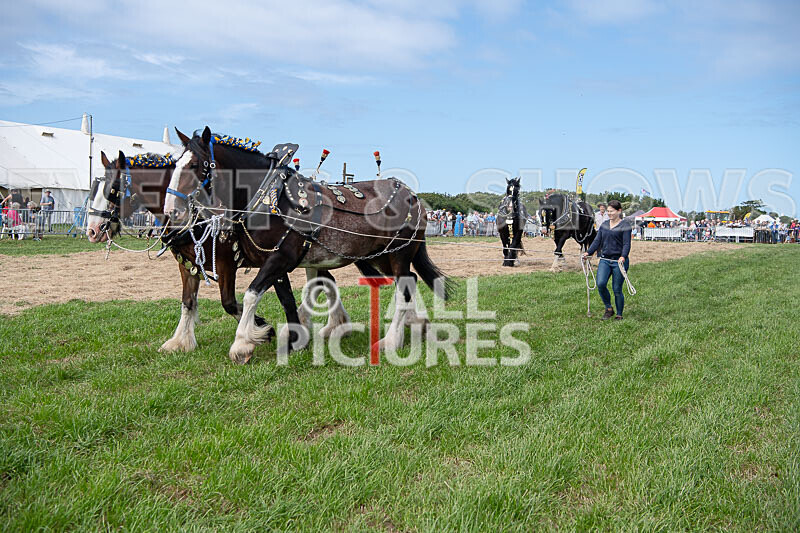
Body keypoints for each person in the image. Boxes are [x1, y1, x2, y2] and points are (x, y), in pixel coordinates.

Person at [583, 200, 631, 320]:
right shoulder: (604, 225)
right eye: (608, 211)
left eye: (612, 211)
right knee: (601, 283)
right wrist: (588, 252)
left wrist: (623, 256)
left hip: (619, 262)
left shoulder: (625, 225)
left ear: (619, 211)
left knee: (617, 289)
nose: (609, 213)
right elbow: (597, 241)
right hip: (605, 259)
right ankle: (609, 308)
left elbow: (626, 244)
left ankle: (619, 315)